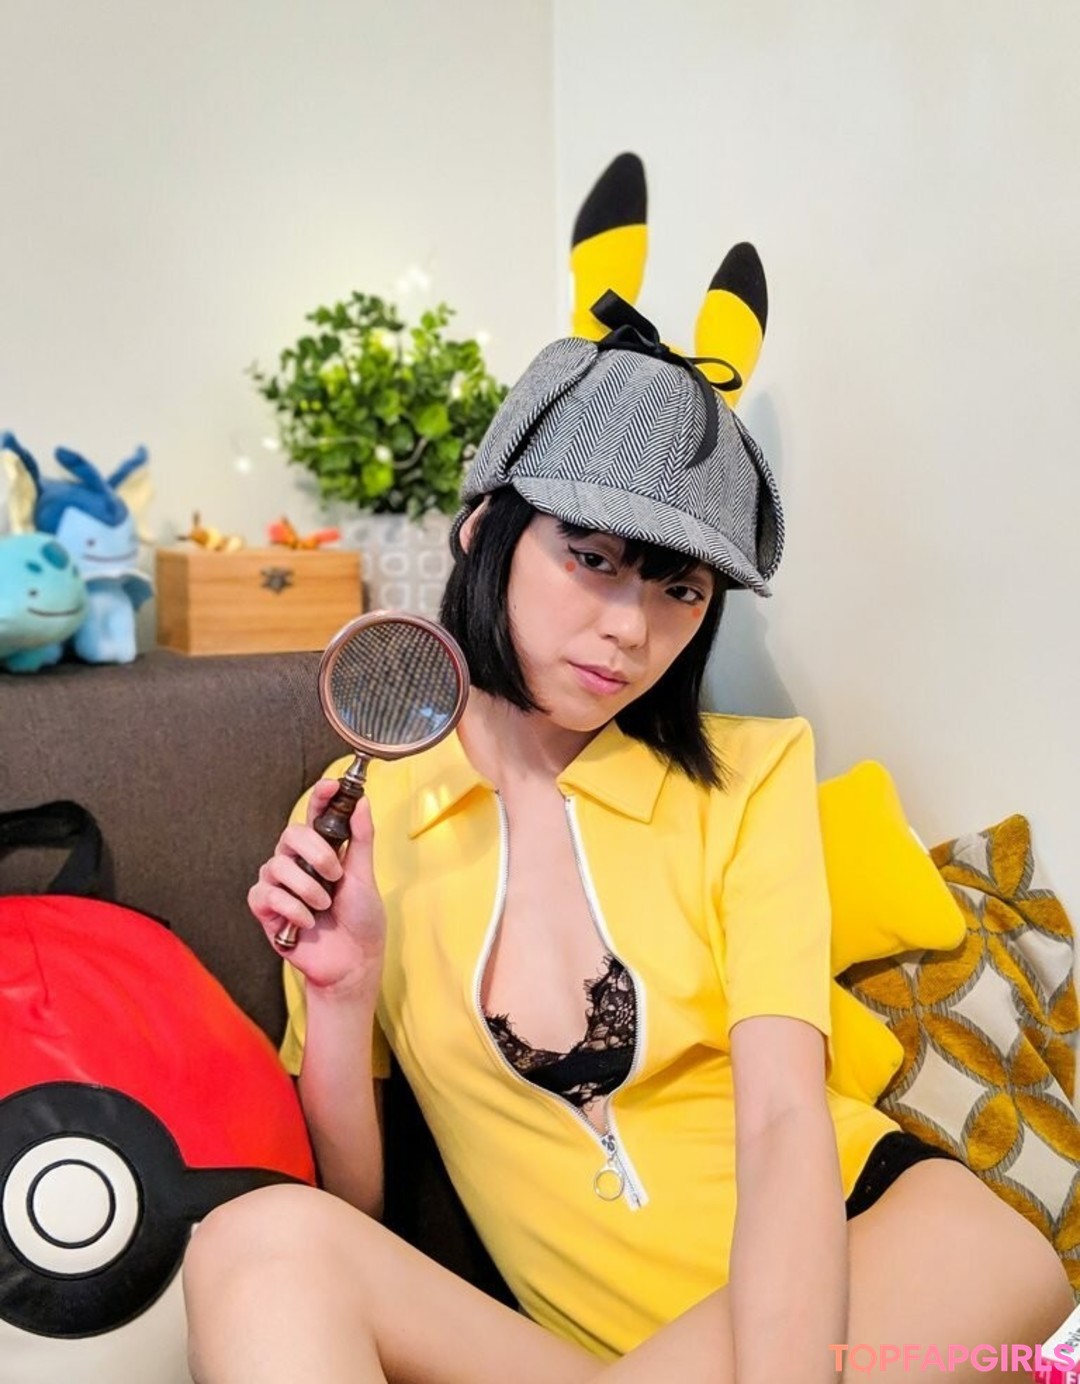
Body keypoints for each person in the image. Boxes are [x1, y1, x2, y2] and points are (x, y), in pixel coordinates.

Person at [183, 309, 1072, 1383]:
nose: (631, 629)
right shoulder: (363, 815)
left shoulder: (751, 778)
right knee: (256, 1242)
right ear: (486, 530)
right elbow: (356, 1209)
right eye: (592, 558)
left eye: (679, 588)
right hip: (600, 1360)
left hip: (885, 1265)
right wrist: (341, 994)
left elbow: (784, 1119)